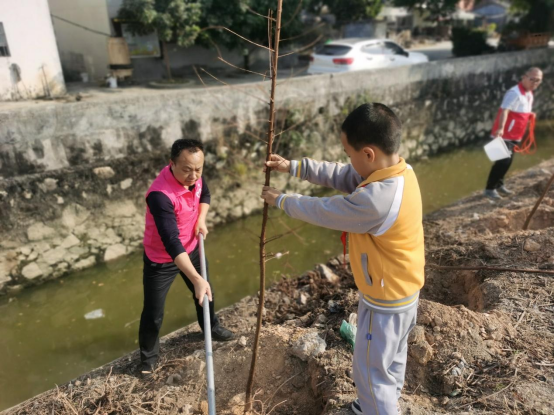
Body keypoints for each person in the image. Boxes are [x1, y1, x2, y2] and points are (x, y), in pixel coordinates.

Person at [261, 103, 425, 415]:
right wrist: (294, 166)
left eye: (349, 153)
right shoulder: (399, 173)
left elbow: (325, 210)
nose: (347, 161)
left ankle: (375, 409)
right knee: (390, 359)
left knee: (369, 367)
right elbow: (343, 175)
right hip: (403, 289)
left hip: (385, 298)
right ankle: (380, 405)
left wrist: (283, 200)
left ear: (368, 154)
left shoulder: (376, 201)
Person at [139, 139, 234, 376]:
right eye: (187, 169)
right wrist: (196, 279)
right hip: (161, 259)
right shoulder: (160, 195)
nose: (194, 176)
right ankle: (148, 357)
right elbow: (171, 243)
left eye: (198, 169)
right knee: (154, 311)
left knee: (205, 294)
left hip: (192, 247)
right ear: (171, 164)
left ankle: (211, 327)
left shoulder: (195, 176)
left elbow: (205, 194)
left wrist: (201, 219)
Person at [484, 67, 543, 199]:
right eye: (531, 79)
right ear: (524, 77)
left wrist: (529, 115)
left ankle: (499, 185)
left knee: (507, 162)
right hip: (503, 134)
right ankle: (489, 188)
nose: (534, 82)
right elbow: (504, 110)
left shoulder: (528, 93)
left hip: (515, 134)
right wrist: (500, 128)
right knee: (502, 162)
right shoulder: (514, 93)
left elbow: (521, 111)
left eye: (537, 80)